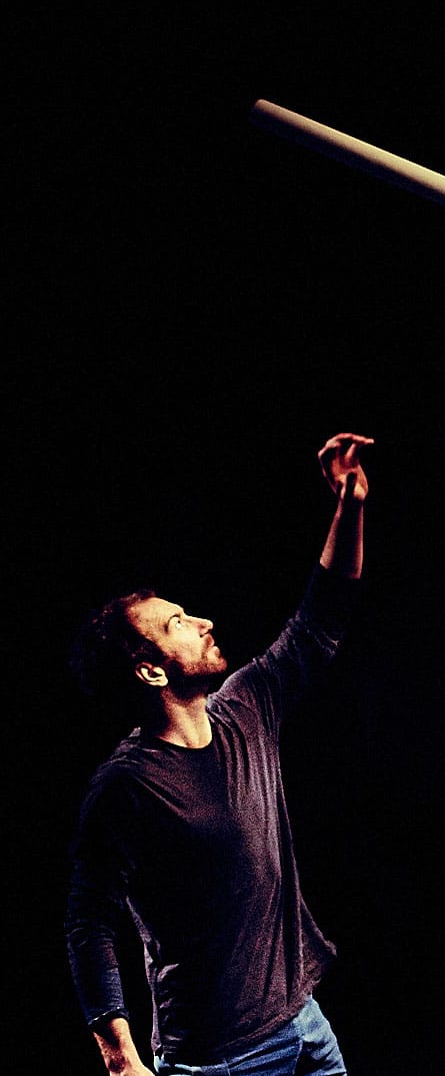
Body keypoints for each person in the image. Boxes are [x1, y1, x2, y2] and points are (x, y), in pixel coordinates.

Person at [64, 432, 374, 1076]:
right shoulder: (127, 786)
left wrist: (348, 507)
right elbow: (88, 923)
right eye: (178, 623)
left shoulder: (246, 707)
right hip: (219, 1057)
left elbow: (323, 617)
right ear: (150, 672)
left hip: (304, 1022)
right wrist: (120, 1058)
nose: (203, 621)